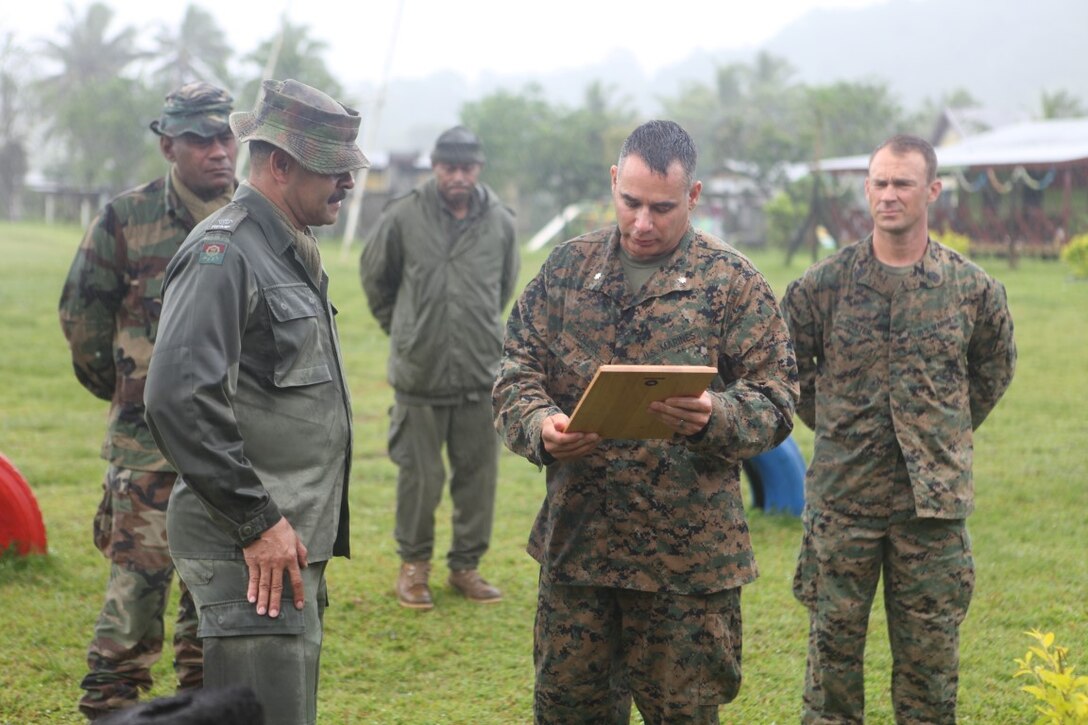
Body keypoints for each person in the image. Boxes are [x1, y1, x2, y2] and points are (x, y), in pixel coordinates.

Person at [492, 120, 798, 723]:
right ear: (613, 182)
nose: (642, 223)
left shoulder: (731, 282)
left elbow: (779, 396)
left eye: (662, 208)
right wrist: (541, 425)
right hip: (581, 549)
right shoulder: (567, 270)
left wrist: (718, 414)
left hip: (686, 566)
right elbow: (514, 371)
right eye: (630, 202)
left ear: (694, 196)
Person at [143, 78, 367, 725]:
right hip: (255, 547)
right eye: (333, 170)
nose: (347, 184)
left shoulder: (289, 246)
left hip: (282, 542)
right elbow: (178, 398)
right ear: (279, 164)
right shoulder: (227, 250)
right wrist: (258, 520)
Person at [781, 134, 1016, 724]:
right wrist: (836, 422)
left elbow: (993, 368)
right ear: (866, 190)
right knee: (831, 666)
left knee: (929, 673)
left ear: (932, 191)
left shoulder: (972, 290)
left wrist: (943, 429)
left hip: (930, 509)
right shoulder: (822, 287)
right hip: (844, 502)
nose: (889, 195)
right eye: (879, 183)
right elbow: (786, 371)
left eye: (903, 183)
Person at [59, 80, 238, 720]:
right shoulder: (126, 218)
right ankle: (109, 710)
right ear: (168, 145)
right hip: (147, 449)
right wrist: (126, 391)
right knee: (134, 600)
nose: (217, 150)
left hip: (231, 447)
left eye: (225, 136)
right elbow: (82, 315)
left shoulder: (254, 216)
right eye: (199, 139)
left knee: (215, 606)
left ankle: (203, 710)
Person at [360, 125, 519, 610]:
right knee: (419, 479)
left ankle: (466, 568)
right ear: (435, 166)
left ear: (479, 168)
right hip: (420, 376)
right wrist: (407, 331)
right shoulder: (403, 215)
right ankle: (414, 568)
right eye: (449, 167)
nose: (458, 176)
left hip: (479, 371)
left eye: (467, 167)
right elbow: (376, 280)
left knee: (478, 479)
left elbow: (503, 288)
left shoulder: (501, 222)